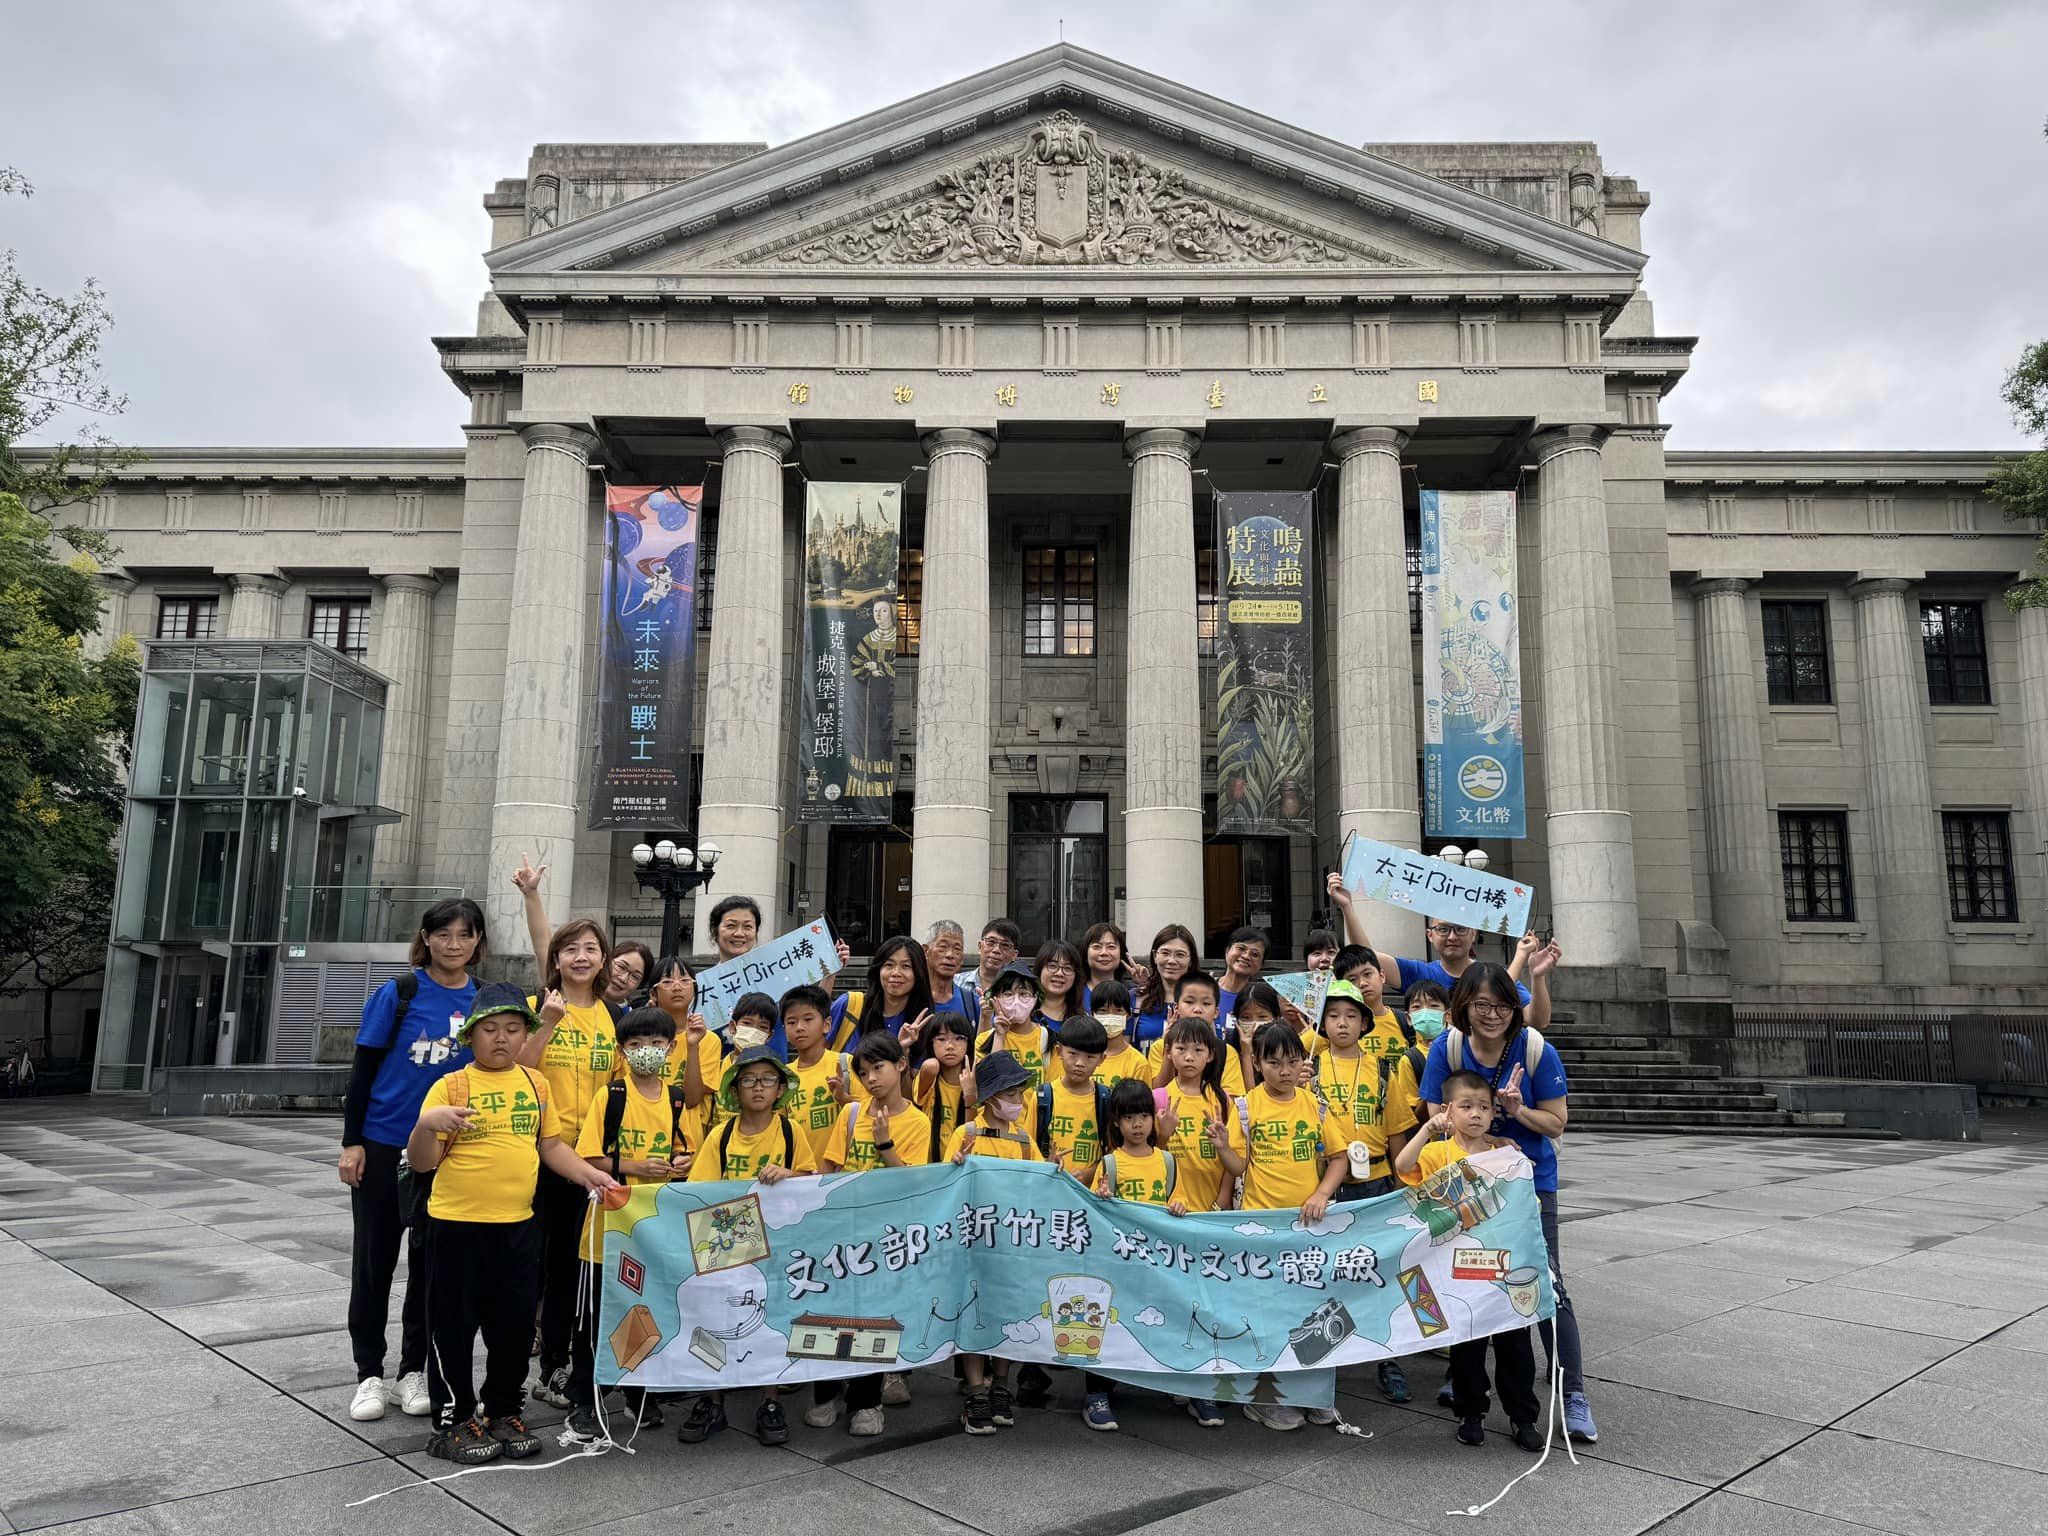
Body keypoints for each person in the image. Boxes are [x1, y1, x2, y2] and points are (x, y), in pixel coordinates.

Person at [407, 983, 618, 1465]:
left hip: (519, 1227)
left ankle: (503, 1410)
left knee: (516, 1328)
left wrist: (592, 1177)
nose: (500, 1038)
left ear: (525, 1034)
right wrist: (426, 1124)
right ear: (472, 1036)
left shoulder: (534, 1084)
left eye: (512, 1029)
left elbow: (551, 1147)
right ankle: (454, 1420)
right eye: (489, 1029)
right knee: (452, 1327)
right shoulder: (451, 1086)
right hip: (455, 1226)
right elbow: (422, 1164)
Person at [1417, 956, 1596, 1443]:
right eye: (1480, 1004)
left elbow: (1557, 1123)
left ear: (1514, 1010)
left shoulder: (1536, 1050)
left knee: (1546, 1286)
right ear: (1463, 1007)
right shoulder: (1447, 1049)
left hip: (1528, 1186)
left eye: (1501, 1005)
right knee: (1467, 1282)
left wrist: (1519, 1111)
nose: (1491, 1014)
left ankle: (1573, 1391)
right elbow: (1439, 1121)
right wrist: (1492, 1141)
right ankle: (1465, 1383)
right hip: (1464, 1188)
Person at [341, 896, 487, 1424]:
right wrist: (351, 1142)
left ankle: (412, 1371)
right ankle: (368, 1375)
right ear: (425, 938)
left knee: (430, 1269)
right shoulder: (398, 993)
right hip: (384, 1144)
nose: (454, 944)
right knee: (374, 1264)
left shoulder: (482, 1000)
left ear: (477, 942)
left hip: (448, 1154)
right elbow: (363, 1071)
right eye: (444, 934)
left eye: (465, 935)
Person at [1395, 1070, 1541, 1452]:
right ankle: (1471, 1412)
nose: (1476, 1115)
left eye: (1484, 1108)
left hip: (1502, 1269)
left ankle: (1522, 1415)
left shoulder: (1504, 1155)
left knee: (1515, 1346)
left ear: (1494, 1113)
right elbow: (1401, 1166)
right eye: (1465, 1107)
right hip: (1458, 1269)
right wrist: (1428, 1129)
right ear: (1448, 1110)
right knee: (1467, 1346)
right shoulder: (1436, 1153)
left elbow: (1526, 1204)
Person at [565, 1006, 693, 1442]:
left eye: (656, 1044)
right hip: (607, 1229)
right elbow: (587, 1158)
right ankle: (585, 1398)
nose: (646, 1052)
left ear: (671, 1049)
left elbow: (687, 1153)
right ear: (622, 1051)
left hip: (653, 1231)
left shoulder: (677, 1099)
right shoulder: (612, 1096)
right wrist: (637, 1164)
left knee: (648, 1312)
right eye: (636, 1045)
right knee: (596, 1319)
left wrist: (679, 1164)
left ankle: (640, 1395)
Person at [679, 1046, 816, 1446]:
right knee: (712, 1319)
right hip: (724, 1245)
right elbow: (698, 1192)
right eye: (749, 1080)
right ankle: (712, 1400)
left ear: (780, 1089)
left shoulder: (792, 1133)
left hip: (776, 1242)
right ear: (734, 1089)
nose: (758, 1088)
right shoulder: (720, 1135)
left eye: (767, 1080)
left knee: (771, 1320)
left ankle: (770, 1401)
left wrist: (788, 1174)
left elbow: (810, 1182)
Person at [517, 917, 618, 1411]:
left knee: (568, 1269)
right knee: (527, 1266)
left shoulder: (612, 1015)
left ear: (604, 959)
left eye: (592, 948)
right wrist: (549, 1023)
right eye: (571, 949)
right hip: (538, 1156)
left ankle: (555, 1368)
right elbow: (517, 1067)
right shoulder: (541, 1007)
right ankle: (511, 1368)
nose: (582, 956)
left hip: (590, 1162)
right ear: (555, 960)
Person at [810, 1033, 931, 1434]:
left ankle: (867, 1402)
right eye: (863, 1073)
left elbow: (911, 1185)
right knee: (828, 1313)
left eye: (878, 1068)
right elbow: (829, 1168)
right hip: (842, 1230)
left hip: (883, 1236)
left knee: (873, 1317)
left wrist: (885, 1146)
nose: (871, 1078)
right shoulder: (851, 1113)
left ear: (900, 1065)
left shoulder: (916, 1121)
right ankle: (827, 1395)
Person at [1311, 976, 1418, 1403]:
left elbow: (1394, 1134)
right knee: (1324, 1272)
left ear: (1364, 1023)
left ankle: (1388, 1359)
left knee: (1380, 1272)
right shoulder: (1310, 1067)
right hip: (1324, 1185)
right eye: (1333, 1016)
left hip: (1375, 1181)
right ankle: (1322, 1361)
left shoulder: (1383, 1069)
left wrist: (1400, 1183)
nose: (1341, 1024)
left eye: (1351, 1016)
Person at [1234, 1022, 1346, 1432]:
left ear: (1303, 1062)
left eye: (1292, 1061)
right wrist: (1219, 1143)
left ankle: (1313, 1395)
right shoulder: (1245, 1106)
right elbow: (1236, 1164)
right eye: (1273, 1062)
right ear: (1258, 1063)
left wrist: (1321, 1195)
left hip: (1308, 1226)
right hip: (1260, 1228)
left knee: (1314, 1310)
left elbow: (1338, 1158)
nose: (1283, 1070)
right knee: (1266, 1313)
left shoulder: (1314, 1106)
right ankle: (1264, 1400)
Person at [1089, 1078, 1200, 1430]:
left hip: (1155, 1265)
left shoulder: (1167, 1162)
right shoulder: (1109, 1164)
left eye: (1143, 1116)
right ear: (1116, 1124)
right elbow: (1094, 1210)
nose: (1137, 1125)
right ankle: (1097, 1394)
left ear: (1154, 1119)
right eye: (1128, 1118)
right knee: (1110, 1324)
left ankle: (1174, 1384)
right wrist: (1102, 1198)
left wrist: (1179, 1205)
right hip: (1120, 1265)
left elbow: (1177, 1200)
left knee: (1161, 1321)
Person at [942, 1050, 1042, 1434]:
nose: (1017, 1101)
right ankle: (975, 1389)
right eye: (1010, 1093)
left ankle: (1001, 1384)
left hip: (1010, 1243)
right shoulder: (965, 1134)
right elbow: (949, 1185)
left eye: (1020, 1093)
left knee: (1007, 1312)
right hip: (974, 1243)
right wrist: (958, 1164)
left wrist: (1057, 1171)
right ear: (989, 1097)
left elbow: (1035, 1182)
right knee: (974, 1311)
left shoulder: (1023, 1138)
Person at [1326, 870, 1532, 1004]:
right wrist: (1347, 907)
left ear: (1473, 933)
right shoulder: (1419, 973)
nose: (1452, 936)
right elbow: (1367, 958)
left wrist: (1537, 976)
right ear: (1429, 935)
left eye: (1460, 929)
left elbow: (1538, 1019)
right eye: (1443, 929)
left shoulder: (1496, 975)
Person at [513, 853, 651, 1008]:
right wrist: (531, 895)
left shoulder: (622, 1017)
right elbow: (543, 947)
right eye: (621, 967)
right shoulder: (552, 999)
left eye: (635, 976)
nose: (623, 978)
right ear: (607, 960)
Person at [1155, 1014, 1237, 1219]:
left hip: (1213, 1207)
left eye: (1198, 1050)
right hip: (1168, 1206)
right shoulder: (1158, 1098)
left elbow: (1233, 1151)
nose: (1189, 1057)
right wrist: (1163, 1136)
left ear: (1210, 1055)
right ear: (1168, 1052)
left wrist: (1223, 1197)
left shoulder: (1222, 1099)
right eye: (1181, 1049)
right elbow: (1148, 1156)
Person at [783, 984, 865, 1170]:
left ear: (827, 1024)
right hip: (801, 1177)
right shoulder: (784, 1075)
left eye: (808, 1019)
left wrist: (844, 1099)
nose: (800, 1027)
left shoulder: (845, 1064)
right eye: (791, 1022)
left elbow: (868, 1114)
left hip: (843, 1175)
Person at [973, 961, 1054, 1137]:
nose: (1016, 1000)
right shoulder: (984, 1040)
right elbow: (991, 1086)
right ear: (995, 999)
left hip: (1035, 1136)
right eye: (1008, 994)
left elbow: (1055, 1094)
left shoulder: (1048, 1040)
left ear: (1035, 998)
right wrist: (1000, 1036)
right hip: (995, 1134)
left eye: (1024, 993)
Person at [1386, 981, 1450, 1188]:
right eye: (1417, 1007)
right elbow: (1412, 1115)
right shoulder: (1410, 1059)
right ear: (1408, 1018)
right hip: (1431, 1147)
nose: (1426, 1012)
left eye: (1433, 1006)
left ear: (1447, 1015)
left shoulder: (1457, 1048)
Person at [1144, 968, 1247, 1097]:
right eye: (1189, 1002)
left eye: (1206, 1003)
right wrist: (1168, 1052)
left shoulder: (1225, 1052)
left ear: (1216, 1012)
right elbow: (1157, 1094)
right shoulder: (1160, 1047)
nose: (1197, 1009)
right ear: (1176, 1008)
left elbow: (1232, 1100)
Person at [1036, 1013, 1110, 1186]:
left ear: (1101, 1059)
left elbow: (1115, 1154)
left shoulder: (1106, 1099)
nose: (1080, 1063)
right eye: (1073, 1054)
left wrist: (1091, 1173)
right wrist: (1046, 1164)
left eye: (1090, 1057)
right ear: (1058, 1051)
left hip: (1089, 1195)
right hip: (1048, 1188)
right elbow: (1027, 1148)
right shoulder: (1043, 1097)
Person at [828, 935, 935, 1047]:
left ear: (918, 973)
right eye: (889, 965)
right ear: (878, 969)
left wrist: (903, 1049)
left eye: (906, 966)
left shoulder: (923, 1023)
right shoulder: (849, 1005)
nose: (896, 973)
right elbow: (814, 1053)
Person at [906, 1010, 974, 1161]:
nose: (950, 1046)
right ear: (930, 1043)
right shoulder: (931, 1073)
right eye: (941, 1039)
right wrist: (906, 1046)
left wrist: (970, 1096)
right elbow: (930, 1066)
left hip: (963, 1162)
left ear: (969, 1043)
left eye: (959, 1038)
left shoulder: (975, 1081)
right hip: (931, 1168)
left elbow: (972, 1130)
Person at [1132, 924, 1198, 1049]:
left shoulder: (1203, 1001)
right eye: (1165, 953)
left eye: (1180, 954)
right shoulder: (1136, 998)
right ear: (1155, 956)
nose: (1171, 960)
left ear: (1191, 960)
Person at [1087, 980, 1151, 1090]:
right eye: (1103, 1011)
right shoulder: (1081, 1056)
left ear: (1128, 1015)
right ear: (1092, 1014)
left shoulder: (1138, 1063)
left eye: (1118, 1011)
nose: (1110, 1016)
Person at [956, 918, 1022, 1015]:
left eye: (1005, 945)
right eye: (991, 942)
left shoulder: (1020, 993)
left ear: (1014, 955)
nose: (996, 950)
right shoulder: (956, 982)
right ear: (979, 946)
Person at [924, 919, 978, 1025]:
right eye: (943, 947)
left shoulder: (972, 1002)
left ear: (962, 958)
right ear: (926, 951)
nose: (950, 955)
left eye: (957, 949)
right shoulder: (909, 998)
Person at [1216, 925, 1268, 1021]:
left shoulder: (1262, 1000)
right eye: (1241, 948)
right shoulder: (1206, 989)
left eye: (1255, 954)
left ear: (1261, 965)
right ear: (1227, 951)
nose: (1246, 956)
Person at [1033, 939, 1086, 1034]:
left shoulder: (1084, 1021)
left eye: (1067, 968)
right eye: (1052, 966)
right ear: (1039, 970)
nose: (1059, 973)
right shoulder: (1024, 1015)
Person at [1081, 921, 1131, 1009]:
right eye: (1097, 946)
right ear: (1085, 953)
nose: (1104, 953)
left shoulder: (1132, 994)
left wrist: (1145, 985)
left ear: (1121, 954)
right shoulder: (1074, 993)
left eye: (1111, 947)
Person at [707, 894, 762, 964]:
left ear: (756, 932)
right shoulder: (696, 975)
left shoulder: (775, 974)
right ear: (714, 931)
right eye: (731, 925)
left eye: (747, 926)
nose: (739, 933)